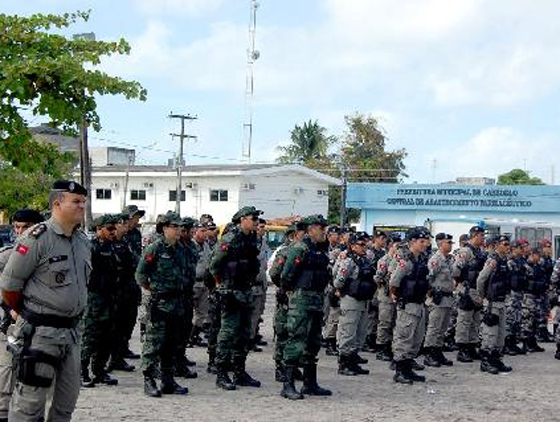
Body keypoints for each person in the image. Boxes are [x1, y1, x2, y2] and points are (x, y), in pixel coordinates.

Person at [0, 180, 90, 421]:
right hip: (39, 333)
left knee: (66, 402)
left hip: (71, 333)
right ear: (57, 204)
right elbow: (9, 287)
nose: (82, 206)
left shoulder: (82, 242)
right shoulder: (37, 238)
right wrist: (27, 314)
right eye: (76, 202)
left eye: (84, 201)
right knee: (29, 404)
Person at [137, 211, 189, 398]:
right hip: (160, 303)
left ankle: (168, 380)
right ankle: (149, 379)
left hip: (177, 303)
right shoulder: (155, 248)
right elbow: (141, 275)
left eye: (179, 227)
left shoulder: (181, 249)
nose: (178, 230)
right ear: (164, 228)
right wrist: (154, 290)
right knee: (154, 342)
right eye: (174, 227)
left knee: (171, 343)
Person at [280, 215, 332, 400]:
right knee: (297, 340)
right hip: (301, 300)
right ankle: (287, 385)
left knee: (314, 341)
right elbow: (285, 275)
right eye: (321, 229)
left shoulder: (321, 249)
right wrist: (290, 293)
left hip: (317, 300)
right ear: (311, 230)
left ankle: (310, 384)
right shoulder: (300, 248)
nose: (324, 232)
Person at [210, 206, 262, 391]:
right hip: (231, 291)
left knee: (244, 333)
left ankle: (240, 372)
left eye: (257, 218)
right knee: (227, 333)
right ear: (242, 220)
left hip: (246, 290)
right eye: (253, 217)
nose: (256, 221)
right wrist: (221, 284)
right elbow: (215, 264)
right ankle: (222, 373)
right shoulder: (230, 238)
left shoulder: (252, 238)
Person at [0, 209, 45, 422]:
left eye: (25, 227)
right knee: (8, 372)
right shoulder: (8, 255)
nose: (20, 232)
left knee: (36, 376)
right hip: (14, 322)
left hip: (42, 324)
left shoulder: (46, 252)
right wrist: (10, 309)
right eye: (17, 227)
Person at [81, 214, 120, 388]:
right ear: (99, 229)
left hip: (110, 297)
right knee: (91, 335)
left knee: (108, 335)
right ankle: (81, 370)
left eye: (114, 228)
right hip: (95, 298)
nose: (113, 232)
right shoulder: (91, 247)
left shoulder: (112, 247)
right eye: (109, 229)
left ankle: (99, 370)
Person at [390, 227, 432, 384]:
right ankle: (400, 370)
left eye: (426, 241)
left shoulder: (420, 259)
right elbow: (394, 282)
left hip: (419, 303)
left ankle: (408, 368)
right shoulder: (405, 260)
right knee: (404, 337)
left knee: (416, 338)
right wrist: (397, 296)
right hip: (408, 304)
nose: (425, 244)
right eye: (422, 241)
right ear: (412, 242)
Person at [333, 232, 376, 376]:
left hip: (363, 301)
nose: (365, 247)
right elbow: (338, 280)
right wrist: (341, 290)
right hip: (351, 300)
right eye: (361, 245)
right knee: (348, 332)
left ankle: (353, 360)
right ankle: (344, 363)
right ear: (352, 246)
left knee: (360, 332)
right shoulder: (348, 261)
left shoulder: (364, 260)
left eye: (366, 244)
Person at [268, 222, 306, 382]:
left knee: (296, 331)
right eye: (302, 232)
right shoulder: (284, 251)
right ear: (294, 235)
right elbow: (274, 272)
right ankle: (280, 367)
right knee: (283, 330)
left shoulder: (305, 250)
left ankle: (293, 366)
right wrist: (284, 287)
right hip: (287, 296)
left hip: (299, 296)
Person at [477, 235, 513, 374]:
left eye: (508, 243)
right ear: (496, 245)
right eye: (504, 244)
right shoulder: (493, 260)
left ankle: (497, 359)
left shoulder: (504, 260)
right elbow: (481, 279)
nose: (507, 246)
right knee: (490, 333)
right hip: (492, 302)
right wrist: (482, 295)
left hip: (501, 301)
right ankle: (486, 361)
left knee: (500, 333)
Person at [452, 225, 486, 363]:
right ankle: (462, 349)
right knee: (464, 320)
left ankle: (472, 347)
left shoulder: (479, 252)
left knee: (475, 320)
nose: (483, 238)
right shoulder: (465, 251)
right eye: (481, 236)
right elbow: (455, 270)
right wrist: (462, 284)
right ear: (475, 235)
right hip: (466, 290)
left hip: (476, 290)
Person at [423, 233, 455, 368]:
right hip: (438, 298)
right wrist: (430, 292)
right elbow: (428, 277)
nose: (450, 245)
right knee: (434, 327)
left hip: (447, 298)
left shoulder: (448, 260)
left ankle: (437, 351)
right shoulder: (436, 260)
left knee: (443, 328)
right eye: (448, 242)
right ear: (441, 244)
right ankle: (429, 353)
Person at [374, 233, 401, 363]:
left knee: (394, 322)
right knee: (385, 322)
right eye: (397, 245)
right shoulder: (384, 260)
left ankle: (390, 346)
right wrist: (384, 288)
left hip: (395, 295)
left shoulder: (399, 260)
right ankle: (381, 347)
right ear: (391, 246)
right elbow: (378, 278)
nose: (399, 247)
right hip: (385, 296)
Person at [504, 240, 528, 356]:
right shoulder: (510, 261)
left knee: (517, 319)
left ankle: (513, 343)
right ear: (514, 248)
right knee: (510, 319)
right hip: (511, 294)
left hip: (519, 293)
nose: (521, 249)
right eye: (519, 247)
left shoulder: (520, 261)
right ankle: (507, 345)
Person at [364, 230, 387, 352]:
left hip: (380, 286)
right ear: (376, 238)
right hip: (372, 285)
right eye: (382, 238)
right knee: (371, 314)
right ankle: (368, 338)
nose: (384, 241)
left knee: (379, 314)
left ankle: (374, 337)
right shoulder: (369, 253)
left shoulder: (383, 253)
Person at [521, 248, 547, 353]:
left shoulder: (538, 267)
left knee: (536, 320)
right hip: (529, 297)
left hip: (538, 297)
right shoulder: (525, 267)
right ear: (532, 255)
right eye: (538, 256)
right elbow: (524, 282)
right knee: (527, 320)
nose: (539, 258)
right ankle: (525, 343)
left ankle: (533, 342)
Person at [190, 221, 211, 347]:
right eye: (202, 231)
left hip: (204, 283)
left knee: (202, 312)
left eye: (206, 231)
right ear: (195, 232)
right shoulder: (191, 246)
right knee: (188, 313)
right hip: (193, 283)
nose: (205, 234)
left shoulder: (206, 246)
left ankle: (194, 335)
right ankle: (187, 336)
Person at [250, 218, 270, 352]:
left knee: (258, 313)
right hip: (252, 283)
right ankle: (249, 340)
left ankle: (254, 335)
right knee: (251, 314)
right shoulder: (250, 242)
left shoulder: (263, 242)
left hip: (261, 282)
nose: (262, 229)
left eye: (263, 227)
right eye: (260, 227)